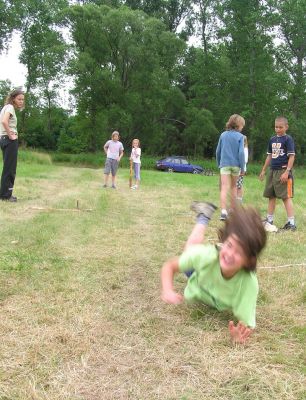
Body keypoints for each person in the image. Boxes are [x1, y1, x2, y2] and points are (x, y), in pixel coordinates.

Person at [161, 201, 267, 344]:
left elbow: (246, 326)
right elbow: (170, 266)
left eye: (239, 252)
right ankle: (204, 217)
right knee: (190, 249)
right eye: (229, 245)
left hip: (208, 275)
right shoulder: (207, 256)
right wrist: (168, 290)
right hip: (198, 274)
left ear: (249, 261)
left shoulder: (248, 283)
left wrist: (238, 336)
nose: (230, 254)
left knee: (193, 252)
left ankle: (204, 216)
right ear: (223, 241)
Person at [259, 116, 296, 231]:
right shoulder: (272, 139)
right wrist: (264, 170)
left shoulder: (288, 139)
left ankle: (291, 223)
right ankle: (269, 220)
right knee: (271, 196)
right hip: (272, 170)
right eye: (276, 127)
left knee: (286, 197)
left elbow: (292, 156)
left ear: (286, 127)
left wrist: (287, 172)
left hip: (283, 171)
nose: (278, 129)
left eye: (281, 127)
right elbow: (269, 156)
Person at [216, 114, 245, 220]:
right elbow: (241, 153)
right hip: (236, 166)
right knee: (234, 188)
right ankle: (232, 211)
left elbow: (218, 151)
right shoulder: (241, 137)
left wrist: (219, 163)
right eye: (242, 125)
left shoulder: (223, 135)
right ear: (238, 125)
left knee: (224, 188)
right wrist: (243, 167)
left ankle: (223, 212)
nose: (242, 128)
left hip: (224, 165)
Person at [0, 89, 25, 202]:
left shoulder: (5, 108)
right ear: (13, 98)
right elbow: (4, 122)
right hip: (9, 140)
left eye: (23, 100)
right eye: (19, 99)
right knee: (10, 169)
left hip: (3, 139)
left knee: (7, 167)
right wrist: (11, 135)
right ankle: (6, 195)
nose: (21, 101)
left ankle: (4, 194)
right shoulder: (10, 107)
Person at [236, 135, 249, 203]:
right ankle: (236, 198)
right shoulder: (239, 148)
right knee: (236, 184)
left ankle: (240, 198)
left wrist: (242, 169)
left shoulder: (245, 149)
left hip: (241, 169)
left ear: (244, 142)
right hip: (237, 169)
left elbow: (245, 160)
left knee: (239, 185)